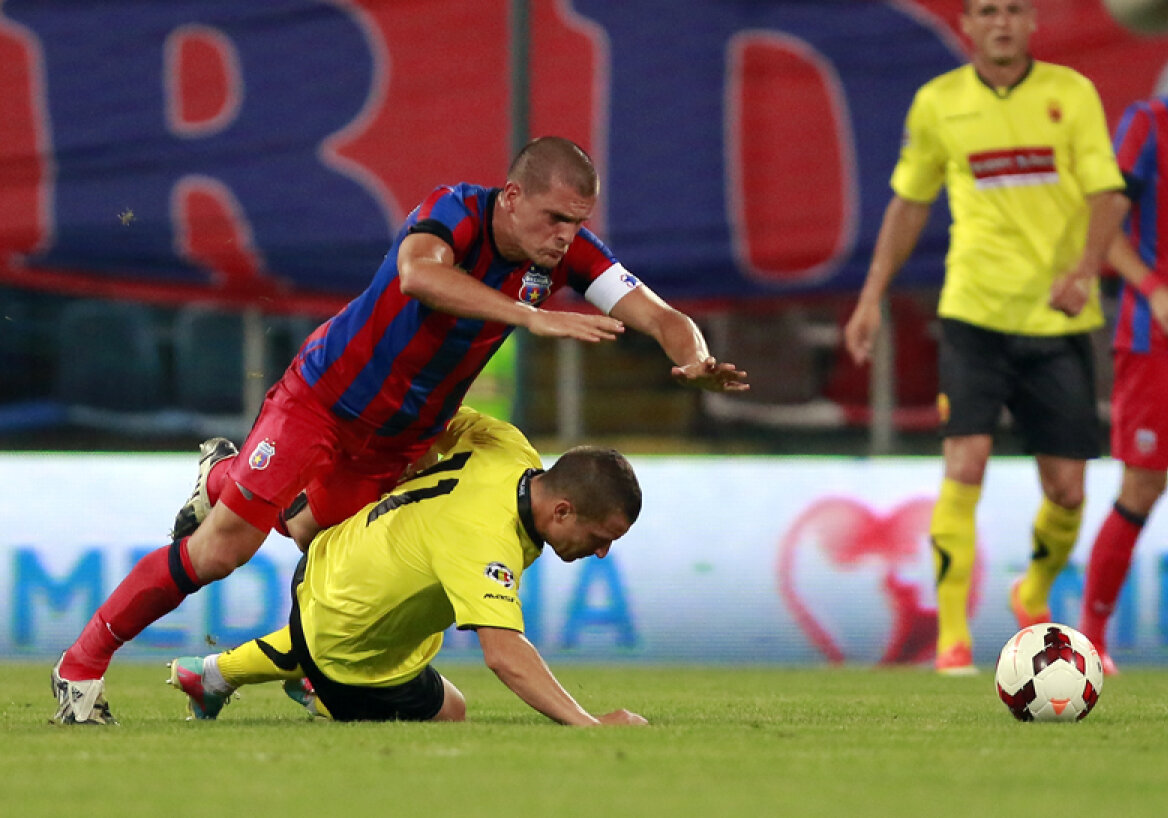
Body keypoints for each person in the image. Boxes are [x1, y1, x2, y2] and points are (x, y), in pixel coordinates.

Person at [51, 136, 747, 725]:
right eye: (554, 217)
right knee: (223, 550)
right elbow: (418, 277)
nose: (563, 236)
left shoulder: (566, 257)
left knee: (310, 541)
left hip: (401, 439)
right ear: (511, 197)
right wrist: (531, 317)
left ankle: (229, 481)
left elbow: (658, 314)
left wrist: (692, 354)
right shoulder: (455, 213)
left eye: (576, 221)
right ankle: (80, 670)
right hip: (323, 399)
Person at [843, 0, 1128, 675]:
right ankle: (951, 638)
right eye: (987, 11)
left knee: (1066, 491)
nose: (1001, 22)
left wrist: (1086, 269)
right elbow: (909, 203)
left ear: (1033, 23)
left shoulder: (1071, 94)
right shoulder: (938, 103)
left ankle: (1031, 592)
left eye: (1013, 10)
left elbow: (1108, 193)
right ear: (968, 25)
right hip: (973, 313)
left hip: (1057, 320)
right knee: (963, 464)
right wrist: (870, 296)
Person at [168, 407, 647, 726]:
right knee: (443, 714)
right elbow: (504, 655)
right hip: (348, 643)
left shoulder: (510, 447)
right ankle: (318, 689)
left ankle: (211, 674)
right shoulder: (486, 542)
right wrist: (590, 724)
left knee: (445, 696)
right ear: (563, 511)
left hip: (336, 551)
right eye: (601, 538)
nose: (601, 552)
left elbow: (430, 411)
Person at [1078, 10, 1168, 675]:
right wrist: (1156, 290)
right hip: (1159, 342)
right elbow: (1104, 232)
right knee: (1142, 486)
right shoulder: (1150, 126)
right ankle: (1093, 635)